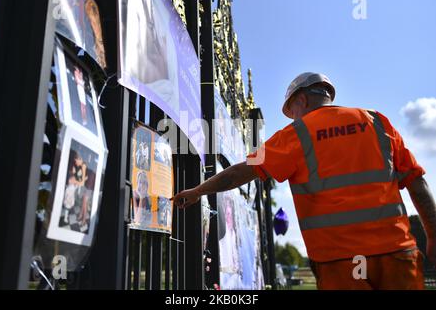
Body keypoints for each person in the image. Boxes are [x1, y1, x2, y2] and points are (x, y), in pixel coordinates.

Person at [172, 72, 436, 290]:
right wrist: (433, 235)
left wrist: (198, 190)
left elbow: (239, 172)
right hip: (397, 254)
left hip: (339, 261)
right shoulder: (377, 122)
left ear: (302, 100)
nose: (293, 117)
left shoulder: (295, 134)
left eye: (291, 110)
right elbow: (418, 183)